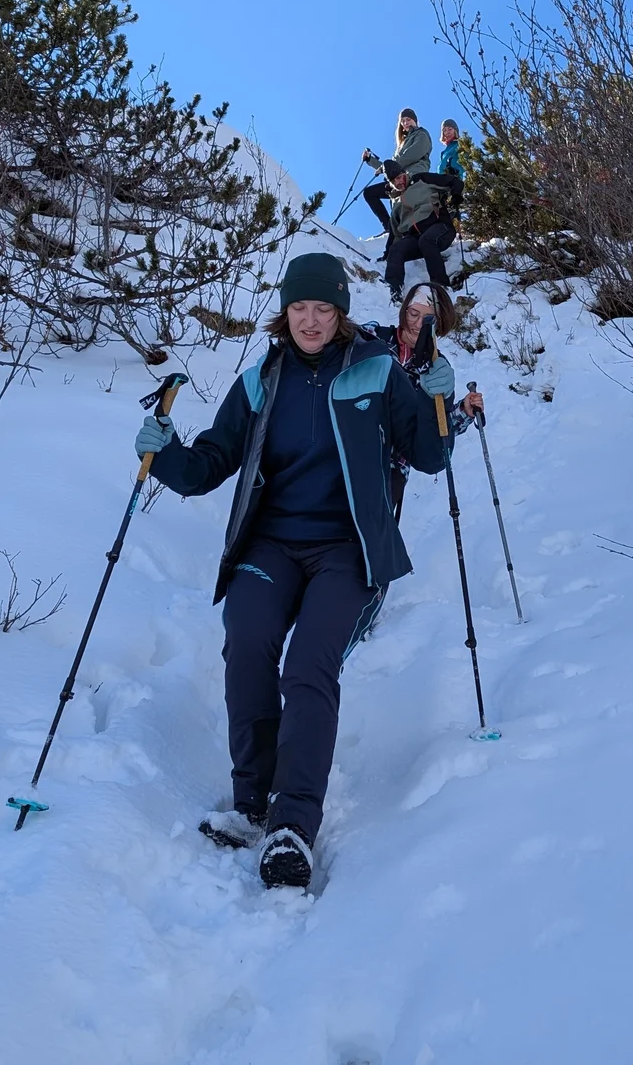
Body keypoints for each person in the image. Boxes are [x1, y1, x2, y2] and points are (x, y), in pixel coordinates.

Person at [135, 251, 455, 890]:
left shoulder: (375, 372)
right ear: (285, 313)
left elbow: (428, 457)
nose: (310, 320)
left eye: (323, 308)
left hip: (350, 549)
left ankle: (292, 825)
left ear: (341, 314)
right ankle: (252, 802)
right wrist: (162, 454)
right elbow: (207, 466)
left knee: (309, 662)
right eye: (299, 307)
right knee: (248, 641)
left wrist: (436, 403)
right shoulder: (260, 382)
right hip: (273, 545)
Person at [363, 283, 483, 518]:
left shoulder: (438, 367)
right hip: (351, 447)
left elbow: (433, 429)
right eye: (413, 314)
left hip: (392, 467)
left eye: (428, 319)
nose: (418, 324)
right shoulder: (373, 338)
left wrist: (462, 411)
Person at [381, 156, 459, 302]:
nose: (399, 182)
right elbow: (395, 233)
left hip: (440, 227)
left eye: (399, 177)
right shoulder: (396, 204)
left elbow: (452, 182)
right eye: (394, 181)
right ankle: (393, 289)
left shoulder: (421, 180)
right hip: (415, 237)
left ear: (404, 173)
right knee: (397, 249)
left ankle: (441, 285)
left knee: (426, 240)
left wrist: (456, 196)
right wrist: (387, 253)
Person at [360, 109, 433, 234]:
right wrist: (370, 160)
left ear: (415, 121)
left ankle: (408, 229)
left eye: (408, 120)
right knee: (369, 193)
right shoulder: (402, 143)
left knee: (403, 203)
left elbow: (412, 155)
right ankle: (390, 227)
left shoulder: (421, 134)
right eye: (403, 121)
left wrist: (388, 168)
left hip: (413, 176)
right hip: (398, 179)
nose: (405, 123)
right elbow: (391, 166)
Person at [437, 119, 466, 185]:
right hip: (442, 181)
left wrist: (456, 170)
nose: (447, 132)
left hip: (455, 179)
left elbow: (466, 161)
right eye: (444, 130)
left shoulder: (460, 145)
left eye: (450, 129)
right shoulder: (444, 153)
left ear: (455, 131)